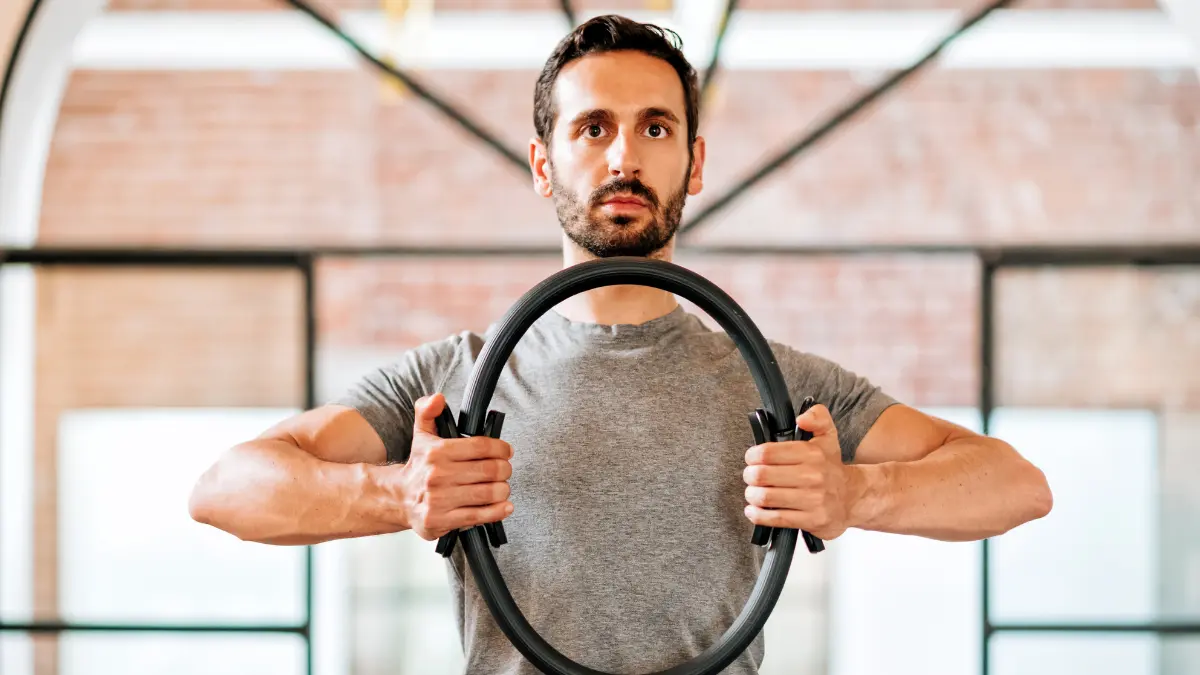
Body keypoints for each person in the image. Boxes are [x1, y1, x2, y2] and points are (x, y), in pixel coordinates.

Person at [189, 14, 1053, 674]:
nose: (624, 156)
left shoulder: (780, 385)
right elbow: (224, 488)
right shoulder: (455, 379)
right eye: (593, 128)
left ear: (696, 161)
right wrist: (397, 492)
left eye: (655, 127)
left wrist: (853, 492)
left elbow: (1018, 486)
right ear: (543, 164)